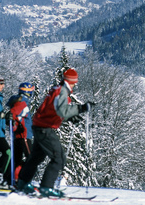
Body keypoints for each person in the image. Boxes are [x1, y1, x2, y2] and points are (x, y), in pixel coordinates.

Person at [16, 68, 95, 198]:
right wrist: (81, 108)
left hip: (40, 125)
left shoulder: (58, 90)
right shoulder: (61, 92)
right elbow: (62, 111)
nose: (75, 84)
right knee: (58, 158)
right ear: (71, 81)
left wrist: (71, 117)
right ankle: (46, 187)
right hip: (44, 127)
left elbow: (55, 109)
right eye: (75, 82)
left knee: (37, 157)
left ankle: (23, 182)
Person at [6, 82, 35, 184]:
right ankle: (23, 180)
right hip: (24, 135)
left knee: (16, 158)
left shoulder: (19, 101)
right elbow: (13, 114)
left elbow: (12, 116)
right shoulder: (23, 102)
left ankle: (9, 179)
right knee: (32, 158)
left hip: (18, 136)